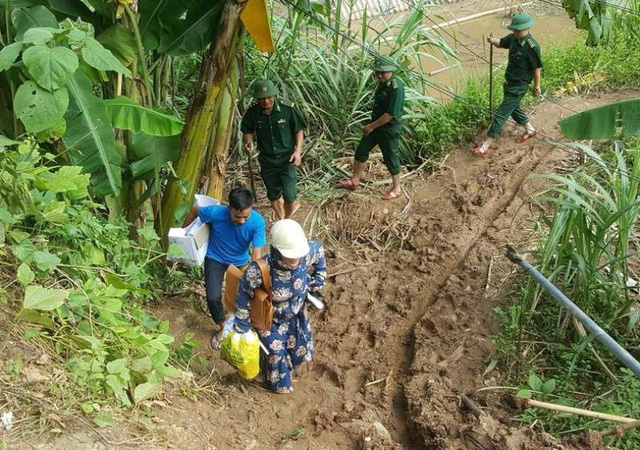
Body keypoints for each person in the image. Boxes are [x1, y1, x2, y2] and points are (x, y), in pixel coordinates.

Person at [233, 219, 327, 394]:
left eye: (297, 254)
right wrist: (243, 326)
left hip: (297, 314)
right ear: (276, 249)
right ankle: (277, 384)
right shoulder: (260, 269)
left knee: (298, 349)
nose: (294, 260)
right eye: (289, 255)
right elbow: (243, 293)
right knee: (275, 353)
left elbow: (319, 252)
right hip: (270, 319)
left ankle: (285, 367)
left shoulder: (307, 254)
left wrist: (318, 280)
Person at [182, 188, 266, 350]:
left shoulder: (257, 222)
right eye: (237, 216)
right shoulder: (215, 212)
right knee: (213, 297)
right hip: (216, 258)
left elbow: (257, 254)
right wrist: (183, 234)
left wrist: (255, 276)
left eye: (245, 217)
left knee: (245, 296)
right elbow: (195, 210)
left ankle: (247, 324)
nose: (242, 221)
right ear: (229, 208)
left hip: (241, 262)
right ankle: (223, 327)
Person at [473, 12, 543, 157]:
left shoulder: (532, 47)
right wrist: (493, 40)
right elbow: (501, 43)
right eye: (514, 30)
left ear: (527, 28)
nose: (515, 32)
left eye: (518, 30)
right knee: (513, 108)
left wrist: (537, 87)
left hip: (519, 86)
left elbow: (536, 69)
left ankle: (485, 146)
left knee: (501, 114)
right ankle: (530, 129)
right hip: (509, 83)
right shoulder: (513, 39)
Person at [339, 55, 405, 200]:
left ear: (391, 71)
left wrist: (370, 126)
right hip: (376, 126)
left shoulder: (396, 87)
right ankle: (355, 180)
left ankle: (397, 188)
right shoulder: (383, 83)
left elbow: (390, 114)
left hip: (388, 129)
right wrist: (373, 126)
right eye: (377, 72)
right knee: (361, 151)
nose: (379, 75)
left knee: (391, 158)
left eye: (382, 73)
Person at [241, 79, 306, 220]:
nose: (266, 101)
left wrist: (298, 152)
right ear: (257, 99)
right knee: (273, 193)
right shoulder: (253, 113)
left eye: (269, 97)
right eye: (262, 99)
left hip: (287, 159)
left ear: (274, 95)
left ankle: (287, 220)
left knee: (289, 195)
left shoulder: (287, 109)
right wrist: (249, 142)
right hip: (267, 160)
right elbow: (247, 130)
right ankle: (282, 219)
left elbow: (299, 130)